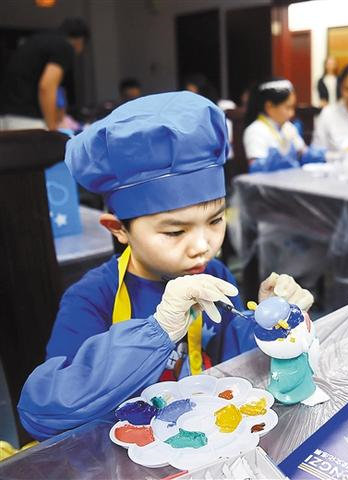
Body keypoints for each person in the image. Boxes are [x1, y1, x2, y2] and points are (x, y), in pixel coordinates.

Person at [17, 92, 314, 440]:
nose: (203, 246)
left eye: (215, 220)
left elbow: (236, 364)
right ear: (118, 229)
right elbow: (40, 413)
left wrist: (268, 322)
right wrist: (158, 331)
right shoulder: (91, 297)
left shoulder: (214, 274)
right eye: (175, 231)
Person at [0, 17, 89, 131]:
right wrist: (52, 128)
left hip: (5, 117)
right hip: (28, 120)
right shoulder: (64, 46)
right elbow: (47, 86)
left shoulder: (34, 41)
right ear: (80, 41)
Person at [243, 78, 308, 172]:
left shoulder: (288, 127)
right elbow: (256, 168)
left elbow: (303, 151)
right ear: (269, 106)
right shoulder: (255, 130)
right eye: (288, 107)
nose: (292, 113)